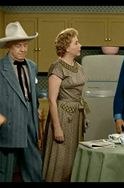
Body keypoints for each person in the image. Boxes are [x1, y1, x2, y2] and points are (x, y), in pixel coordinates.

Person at [0, 21, 42, 182]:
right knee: (4, 176)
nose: (23, 49)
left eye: (25, 45)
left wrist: (35, 109)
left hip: (30, 130)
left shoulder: (32, 66)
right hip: (6, 131)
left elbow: (31, 95)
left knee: (35, 173)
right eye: (18, 46)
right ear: (8, 46)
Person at [42, 28, 89, 182]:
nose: (80, 45)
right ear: (67, 47)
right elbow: (52, 100)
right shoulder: (57, 67)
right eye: (77, 42)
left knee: (73, 158)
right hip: (62, 116)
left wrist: (84, 116)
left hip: (77, 115)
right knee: (60, 157)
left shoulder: (79, 66)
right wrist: (57, 127)